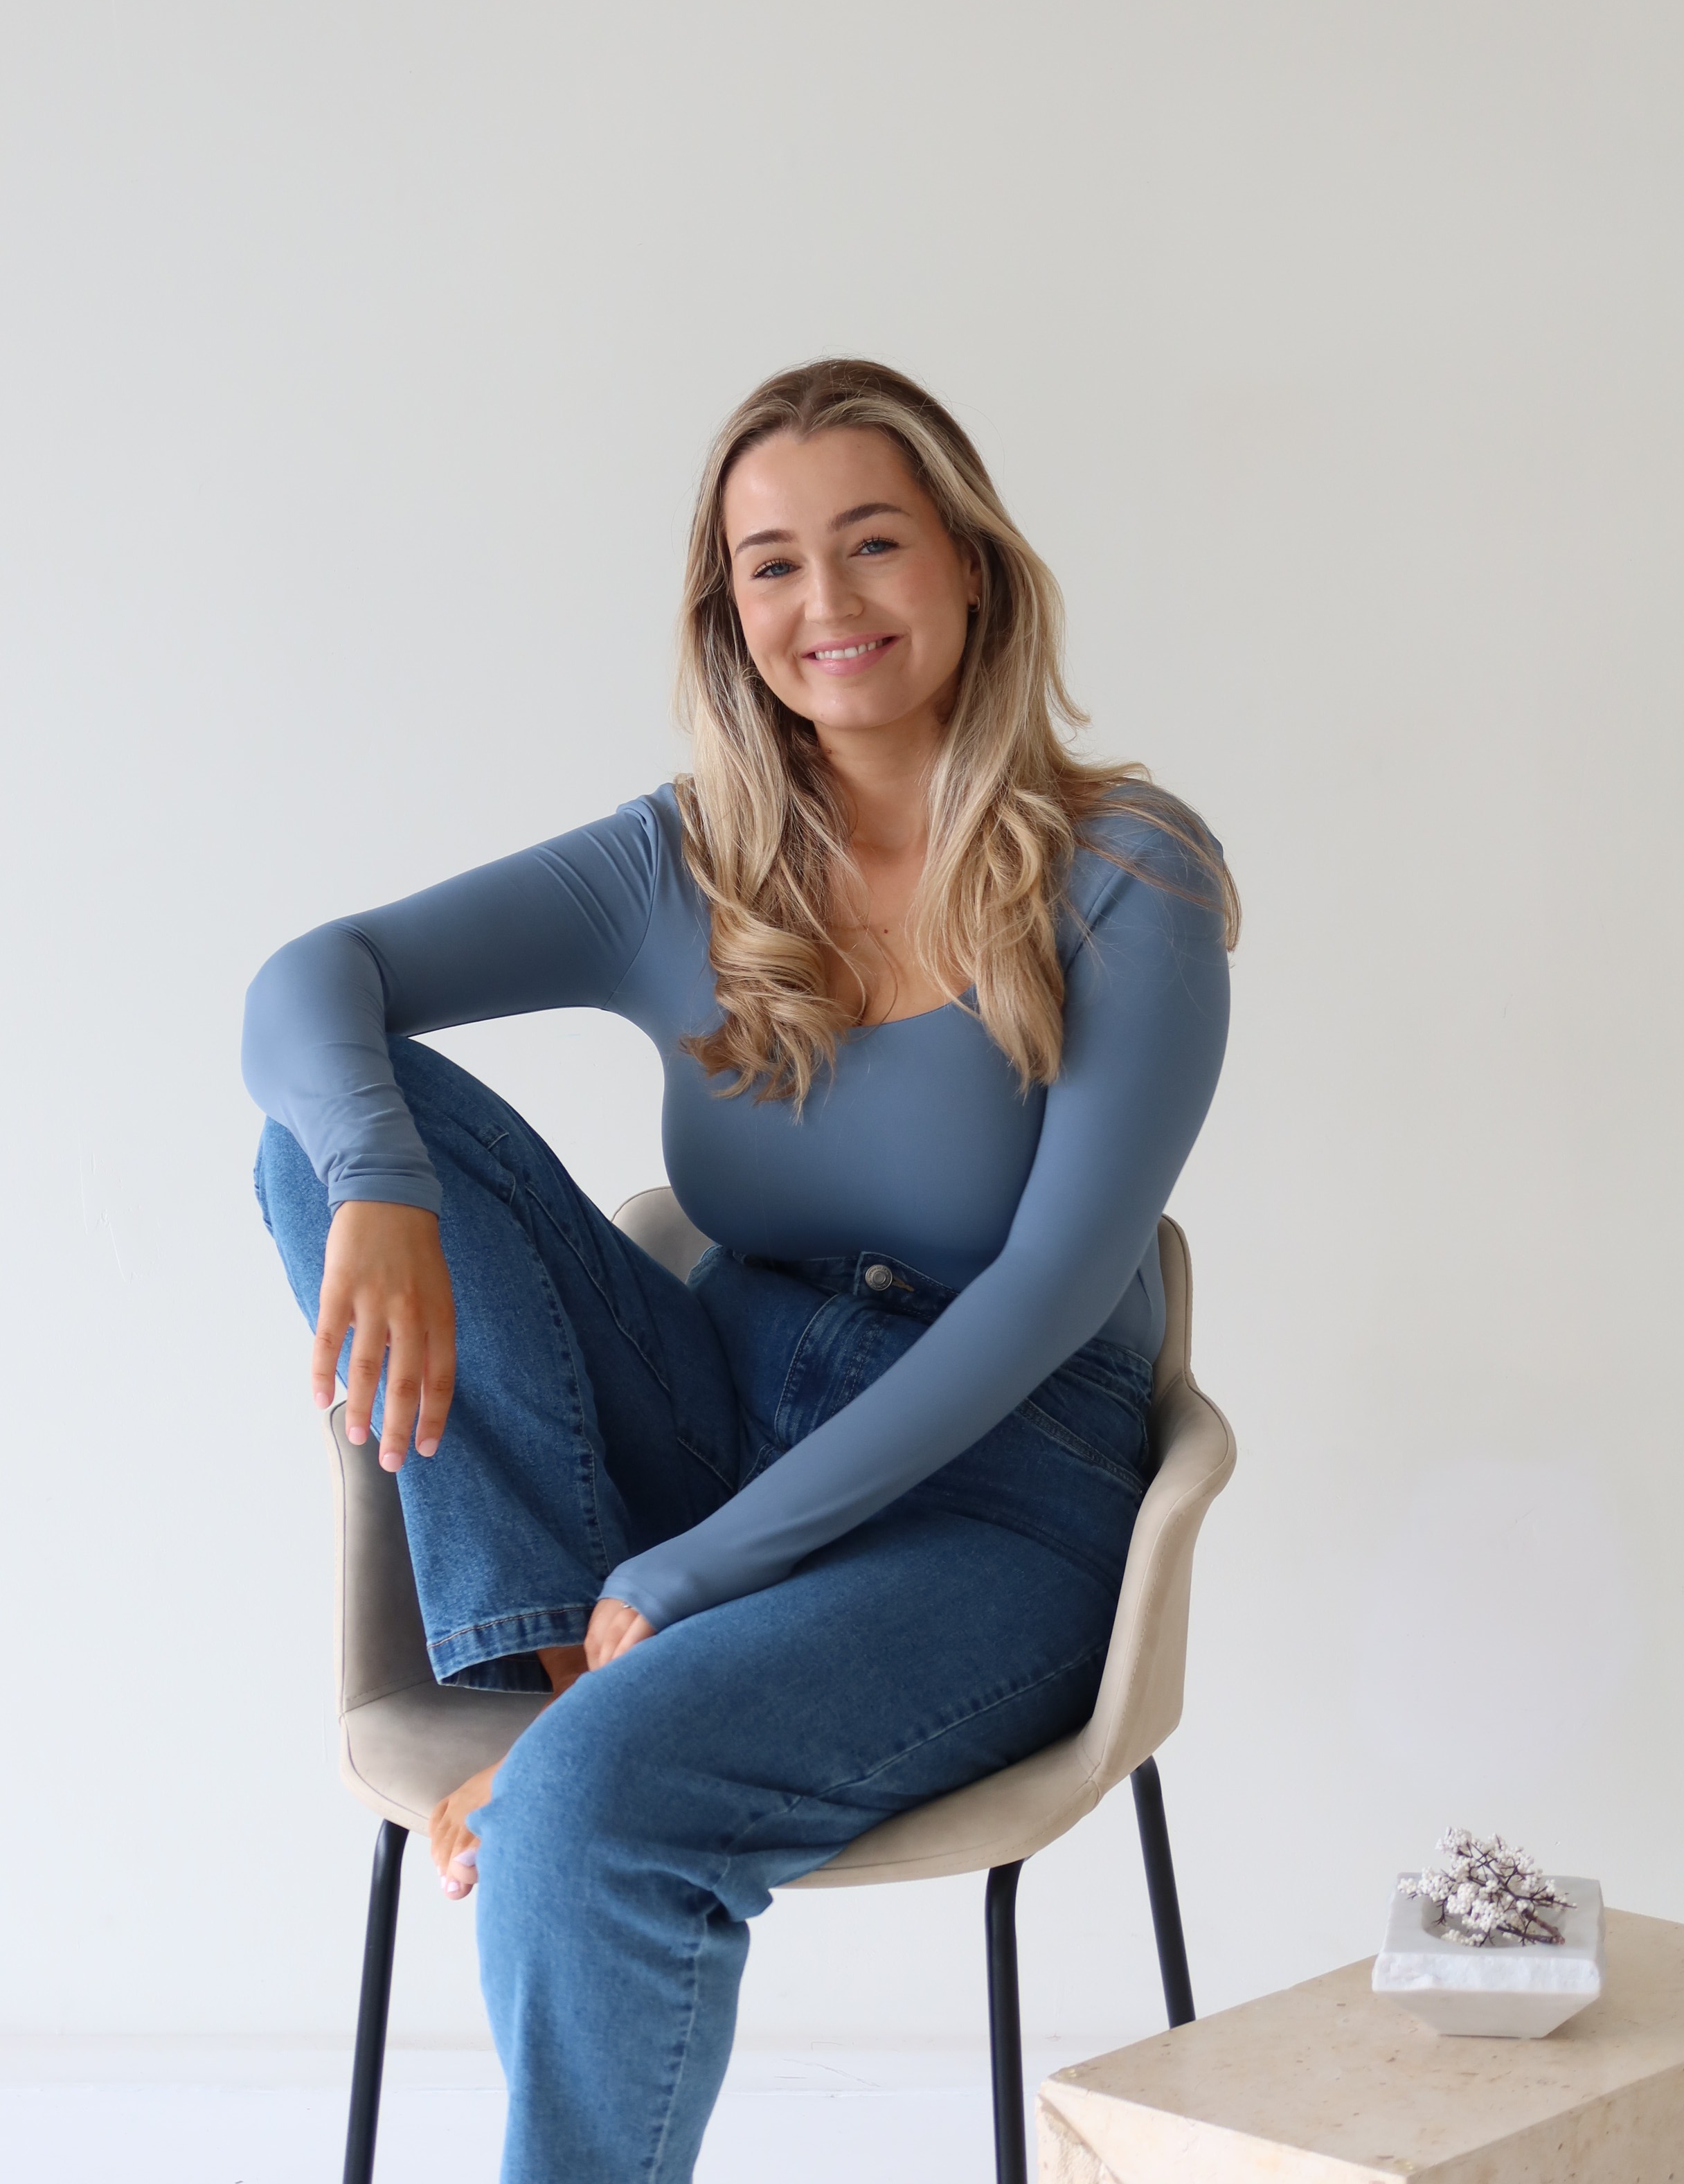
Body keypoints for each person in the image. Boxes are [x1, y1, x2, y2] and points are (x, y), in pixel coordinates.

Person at [243, 357, 1236, 2184]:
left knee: (591, 1815)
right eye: (772, 564)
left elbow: (1043, 1298)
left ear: (972, 566)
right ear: (728, 614)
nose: (825, 602)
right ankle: (563, 1676)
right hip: (717, 1412)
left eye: (875, 543)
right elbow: (315, 977)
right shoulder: (683, 862)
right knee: (331, 1130)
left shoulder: (1126, 874)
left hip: (999, 1505)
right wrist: (378, 1179)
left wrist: (701, 1569)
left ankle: (581, 1745)